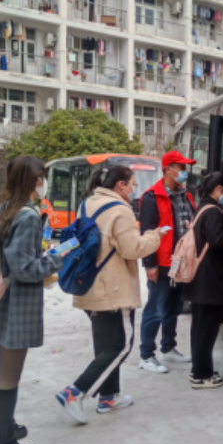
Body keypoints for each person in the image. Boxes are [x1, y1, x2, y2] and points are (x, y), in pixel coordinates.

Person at [0, 155, 66, 444]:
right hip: (15, 305)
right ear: (32, 180)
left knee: (3, 370)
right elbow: (26, 269)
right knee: (10, 375)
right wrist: (59, 257)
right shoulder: (26, 216)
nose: (44, 182)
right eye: (42, 176)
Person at [56, 165, 163, 423]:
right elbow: (131, 248)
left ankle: (108, 397)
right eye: (132, 184)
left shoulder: (87, 204)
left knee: (104, 344)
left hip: (88, 285)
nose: (133, 189)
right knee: (121, 345)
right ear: (120, 186)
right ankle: (75, 392)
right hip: (113, 289)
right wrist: (154, 236)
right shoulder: (121, 210)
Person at [137, 151, 197, 373]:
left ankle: (168, 347)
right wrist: (149, 264)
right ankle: (146, 355)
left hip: (181, 262)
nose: (184, 172)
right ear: (168, 169)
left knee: (174, 307)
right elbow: (147, 233)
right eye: (181, 168)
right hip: (161, 262)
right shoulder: (151, 197)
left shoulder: (186, 196)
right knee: (155, 309)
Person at [183, 172, 223, 389]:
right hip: (210, 280)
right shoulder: (214, 211)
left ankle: (198, 369)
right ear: (219, 190)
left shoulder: (202, 208)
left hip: (198, 278)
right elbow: (217, 241)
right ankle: (201, 376)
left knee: (199, 328)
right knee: (207, 330)